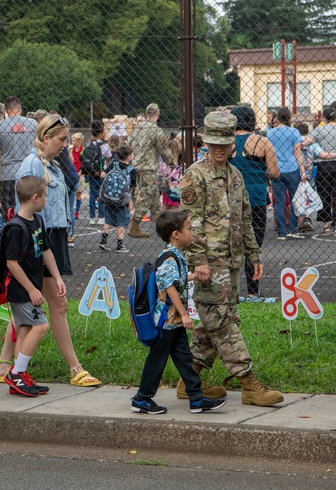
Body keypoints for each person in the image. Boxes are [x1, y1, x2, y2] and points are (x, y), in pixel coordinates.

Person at [179, 112, 283, 407]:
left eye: (224, 142)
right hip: (209, 263)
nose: (218, 148)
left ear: (232, 142)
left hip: (233, 260)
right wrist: (199, 259)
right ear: (205, 140)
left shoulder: (235, 175)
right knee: (224, 321)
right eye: (213, 143)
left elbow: (245, 219)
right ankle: (249, 383)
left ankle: (189, 381)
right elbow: (190, 222)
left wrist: (254, 254)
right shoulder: (194, 175)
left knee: (213, 319)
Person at [10, 113, 101, 388]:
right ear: (46, 137)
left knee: (29, 309)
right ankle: (75, 369)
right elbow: (25, 212)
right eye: (61, 139)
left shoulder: (49, 164)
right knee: (57, 306)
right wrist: (36, 251)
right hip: (41, 242)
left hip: (52, 239)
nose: (65, 144)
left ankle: (11, 369)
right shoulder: (33, 165)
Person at [131, 210, 227, 415]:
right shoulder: (168, 258)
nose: (192, 233)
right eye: (189, 229)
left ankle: (196, 398)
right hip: (165, 321)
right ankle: (142, 398)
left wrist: (193, 276)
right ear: (176, 234)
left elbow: (177, 280)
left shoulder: (175, 256)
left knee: (184, 358)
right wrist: (184, 314)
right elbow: (169, 287)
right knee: (157, 360)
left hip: (172, 322)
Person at [0, 176, 56, 397]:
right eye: (45, 196)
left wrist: (57, 278)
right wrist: (32, 289)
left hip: (30, 288)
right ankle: (17, 372)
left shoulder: (37, 221)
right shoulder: (15, 228)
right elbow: (11, 263)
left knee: (24, 328)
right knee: (41, 327)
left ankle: (20, 377)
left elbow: (45, 250)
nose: (45, 200)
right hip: (21, 290)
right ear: (35, 198)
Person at [231, 106, 279, 303]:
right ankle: (253, 292)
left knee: (231, 244)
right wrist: (260, 173)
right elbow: (275, 173)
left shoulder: (227, 143)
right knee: (254, 246)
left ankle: (230, 291)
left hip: (232, 197)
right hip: (256, 197)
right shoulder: (263, 141)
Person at [127, 103, 173, 237]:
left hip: (136, 166)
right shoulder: (156, 130)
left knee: (152, 195)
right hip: (148, 167)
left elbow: (128, 144)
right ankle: (134, 226)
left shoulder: (137, 129)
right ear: (158, 115)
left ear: (146, 114)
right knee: (146, 196)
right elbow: (164, 150)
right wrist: (172, 163)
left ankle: (160, 222)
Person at [0, 96, 36, 217]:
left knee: (10, 213)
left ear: (5, 110)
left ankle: (13, 233)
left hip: (8, 175)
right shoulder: (32, 124)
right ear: (19, 107)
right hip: (29, 171)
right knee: (30, 211)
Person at [267, 107, 305, 239]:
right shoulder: (294, 132)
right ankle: (293, 229)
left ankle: (281, 231)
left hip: (276, 169)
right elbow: (297, 152)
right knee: (295, 200)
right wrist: (303, 171)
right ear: (289, 117)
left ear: (277, 118)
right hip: (292, 168)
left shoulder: (270, 133)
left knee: (279, 201)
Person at [98, 145, 135, 254]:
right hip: (122, 200)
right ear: (129, 156)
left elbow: (103, 174)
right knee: (121, 223)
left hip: (109, 198)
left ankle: (103, 241)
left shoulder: (113, 165)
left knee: (107, 220)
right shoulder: (131, 170)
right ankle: (120, 244)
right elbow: (132, 186)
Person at [309, 106, 336, 235]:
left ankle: (325, 225)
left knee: (324, 194)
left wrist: (318, 148)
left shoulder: (319, 130)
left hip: (323, 165)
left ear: (324, 117)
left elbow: (305, 141)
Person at [82, 121, 113, 226]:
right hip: (101, 173)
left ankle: (92, 217)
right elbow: (109, 159)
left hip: (91, 172)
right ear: (100, 133)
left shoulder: (89, 144)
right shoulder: (104, 146)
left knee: (92, 194)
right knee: (101, 194)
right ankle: (101, 216)